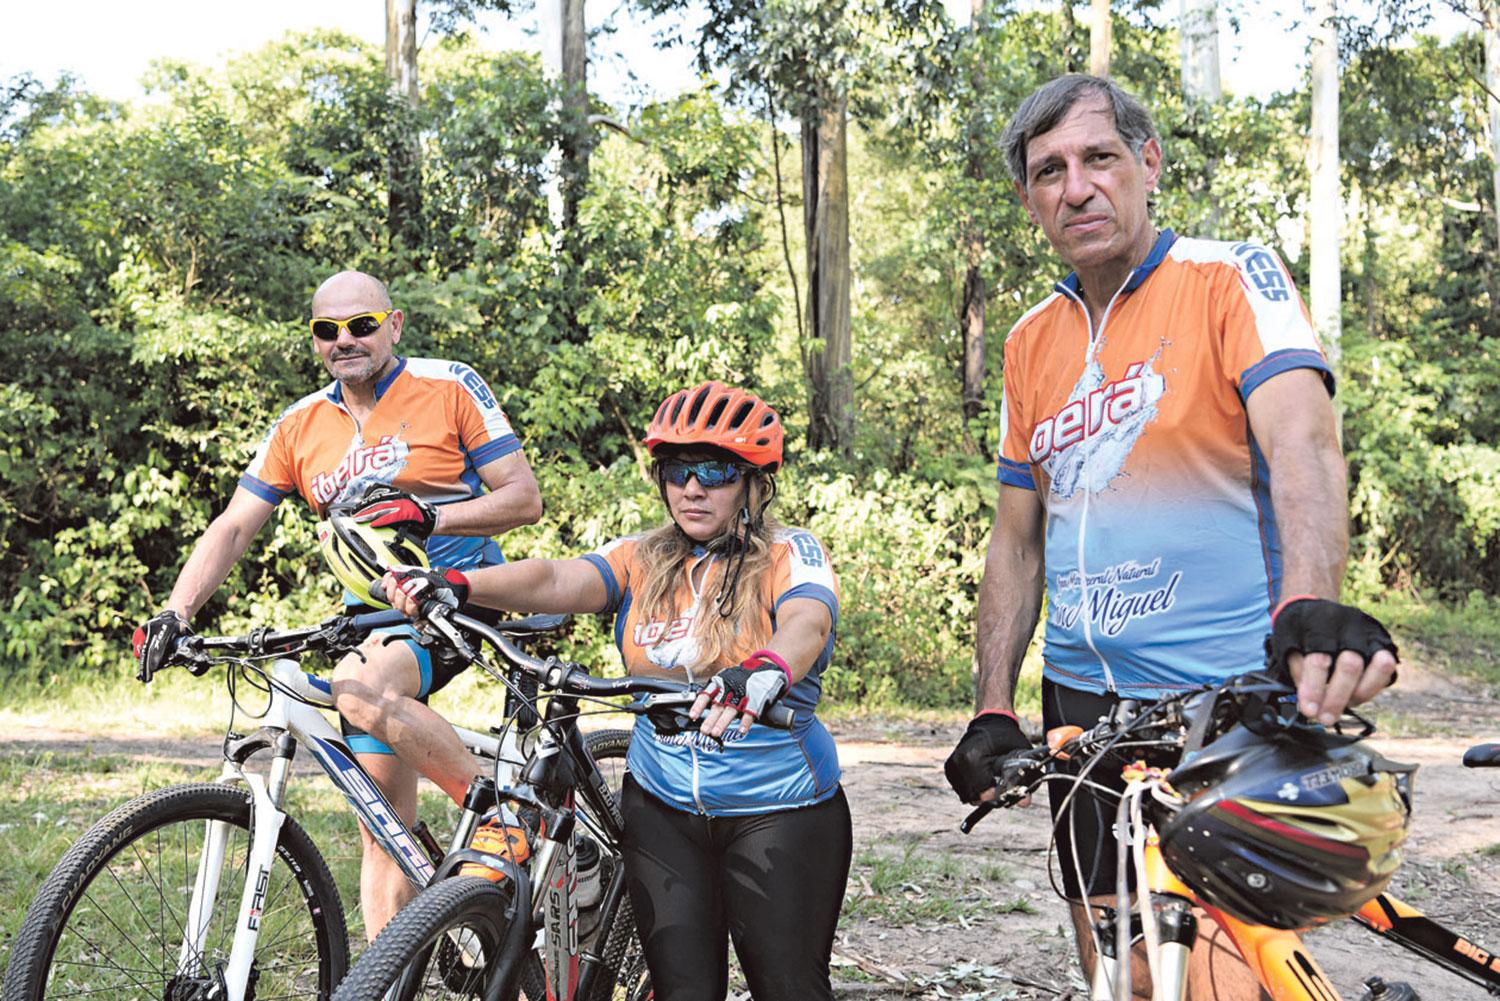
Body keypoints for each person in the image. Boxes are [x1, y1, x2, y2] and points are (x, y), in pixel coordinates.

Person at [942, 75, 1398, 1000]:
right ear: (1031, 201)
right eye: (1048, 172)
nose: (1076, 188)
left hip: (1220, 695)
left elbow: (1302, 438)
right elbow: (1017, 539)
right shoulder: (1031, 342)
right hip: (1081, 709)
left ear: (1147, 164)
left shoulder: (1228, 278)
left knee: (1225, 980)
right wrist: (994, 704)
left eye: (1099, 158)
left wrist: (1310, 602)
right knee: (1124, 973)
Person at [382, 380, 852, 1001]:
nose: (693, 488)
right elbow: (554, 578)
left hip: (780, 810)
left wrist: (763, 668)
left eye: (714, 471)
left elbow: (808, 620)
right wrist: (459, 583)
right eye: (677, 471)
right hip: (661, 808)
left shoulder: (790, 553)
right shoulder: (642, 558)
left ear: (753, 484)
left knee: (788, 987)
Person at [131, 269, 543, 936]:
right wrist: (177, 610)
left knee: (357, 684)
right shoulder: (299, 424)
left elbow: (523, 499)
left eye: (362, 324)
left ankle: (506, 813)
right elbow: (235, 524)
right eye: (329, 329)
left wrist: (430, 516)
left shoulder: (450, 385)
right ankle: (393, 971)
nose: (346, 339)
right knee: (384, 825)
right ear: (315, 339)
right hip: (377, 616)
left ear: (395, 324)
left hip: (457, 601)